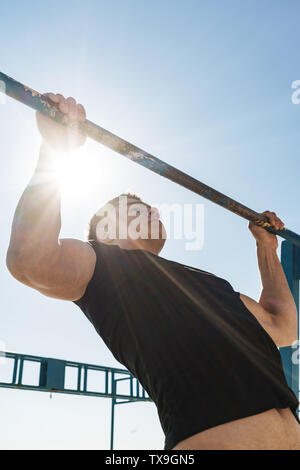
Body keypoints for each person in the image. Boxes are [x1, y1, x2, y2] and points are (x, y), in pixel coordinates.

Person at [6, 93, 300, 450]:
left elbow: (282, 327)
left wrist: (265, 248)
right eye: (138, 207)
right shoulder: (101, 265)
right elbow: (29, 260)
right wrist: (55, 153)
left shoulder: (210, 283)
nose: (153, 210)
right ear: (107, 228)